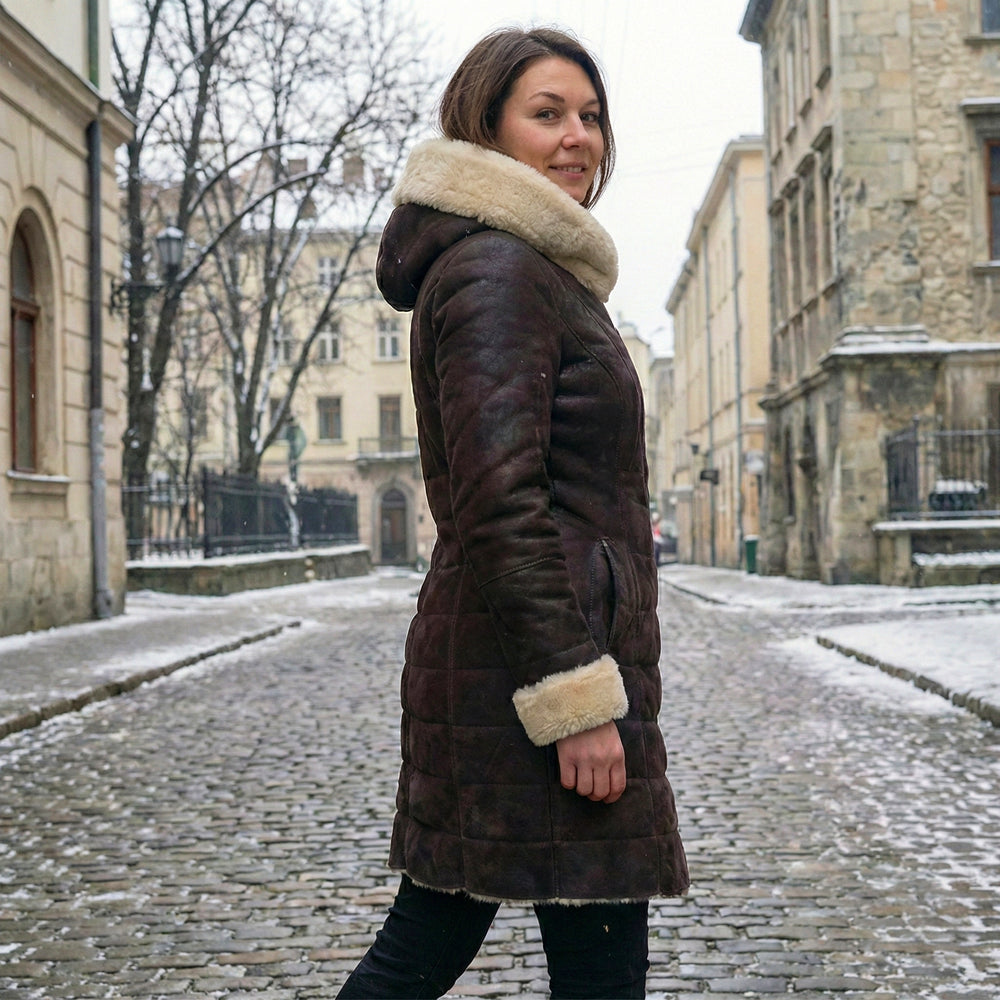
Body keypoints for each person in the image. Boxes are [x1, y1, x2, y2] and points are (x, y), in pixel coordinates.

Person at [338, 26, 689, 1000]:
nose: (579, 137)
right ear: (484, 130)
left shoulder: (530, 268)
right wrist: (573, 700)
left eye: (591, 116)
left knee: (487, 946)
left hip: (521, 664)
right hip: (533, 676)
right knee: (473, 953)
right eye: (547, 114)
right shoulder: (500, 271)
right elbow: (499, 501)